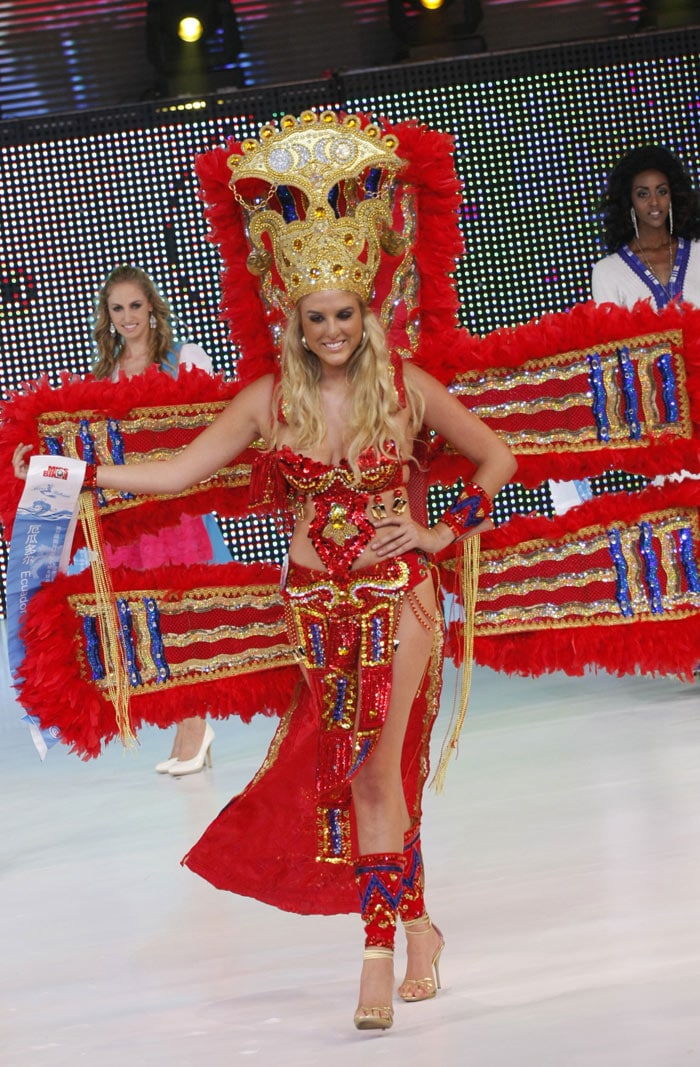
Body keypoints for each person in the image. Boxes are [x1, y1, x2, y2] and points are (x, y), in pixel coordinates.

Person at [13, 113, 516, 1032]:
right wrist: (83, 473)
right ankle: (420, 926)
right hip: (311, 609)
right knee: (371, 769)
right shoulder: (264, 402)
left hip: (400, 600)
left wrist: (441, 534)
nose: (331, 330)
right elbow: (174, 473)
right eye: (315, 316)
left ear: (367, 309)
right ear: (293, 317)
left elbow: (498, 459)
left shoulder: (405, 388)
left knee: (372, 767)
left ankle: (373, 956)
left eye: (345, 314)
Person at [91, 264, 228, 775]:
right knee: (148, 619)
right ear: (108, 317)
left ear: (152, 307)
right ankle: (185, 724)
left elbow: (214, 426)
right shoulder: (103, 376)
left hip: (178, 510)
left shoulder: (185, 360)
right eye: (117, 308)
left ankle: (196, 726)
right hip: (132, 515)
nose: (128, 317)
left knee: (184, 612)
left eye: (135, 305)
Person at [591, 145, 700, 309]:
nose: (654, 202)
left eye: (662, 191)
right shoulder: (607, 272)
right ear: (629, 201)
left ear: (673, 194)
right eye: (643, 194)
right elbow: (611, 334)